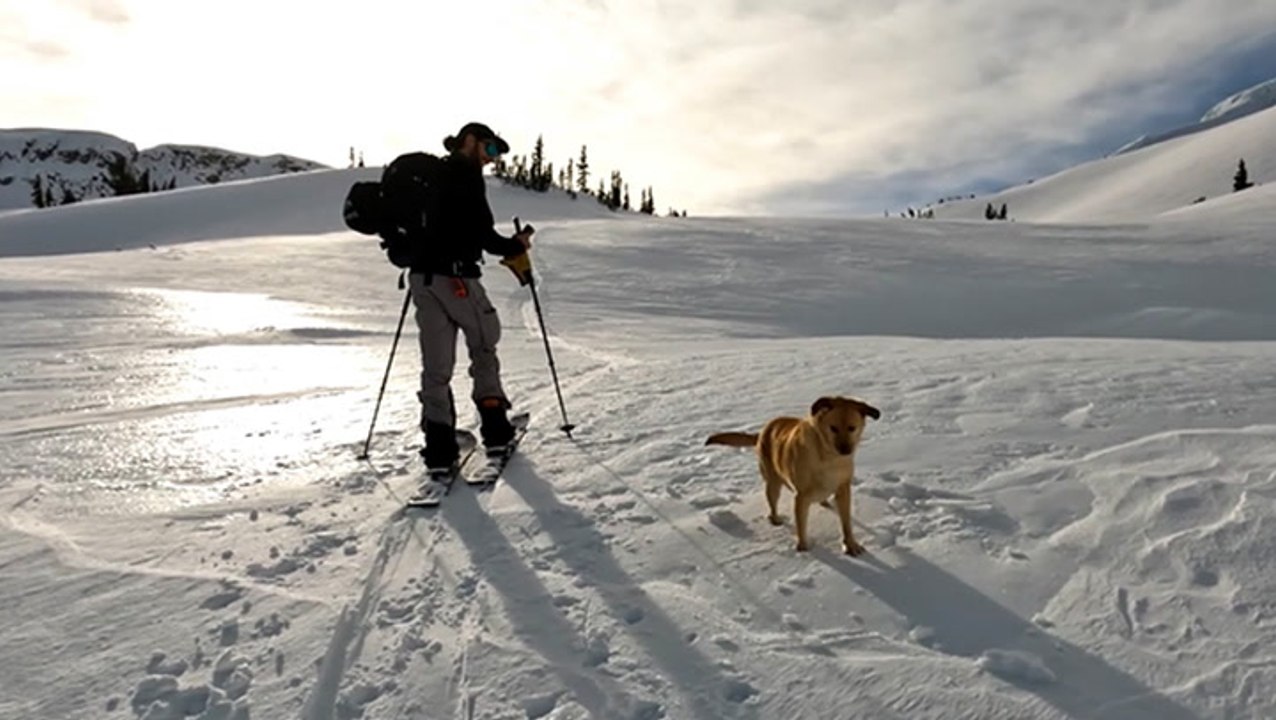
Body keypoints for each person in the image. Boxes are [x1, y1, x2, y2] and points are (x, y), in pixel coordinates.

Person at [410, 121, 533, 475]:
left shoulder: (430, 176)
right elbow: (484, 235)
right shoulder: (465, 175)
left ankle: (439, 447)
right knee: (483, 344)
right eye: (490, 149)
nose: (492, 159)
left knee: (435, 366)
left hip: (422, 280)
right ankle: (495, 430)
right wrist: (516, 245)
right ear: (470, 142)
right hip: (457, 278)